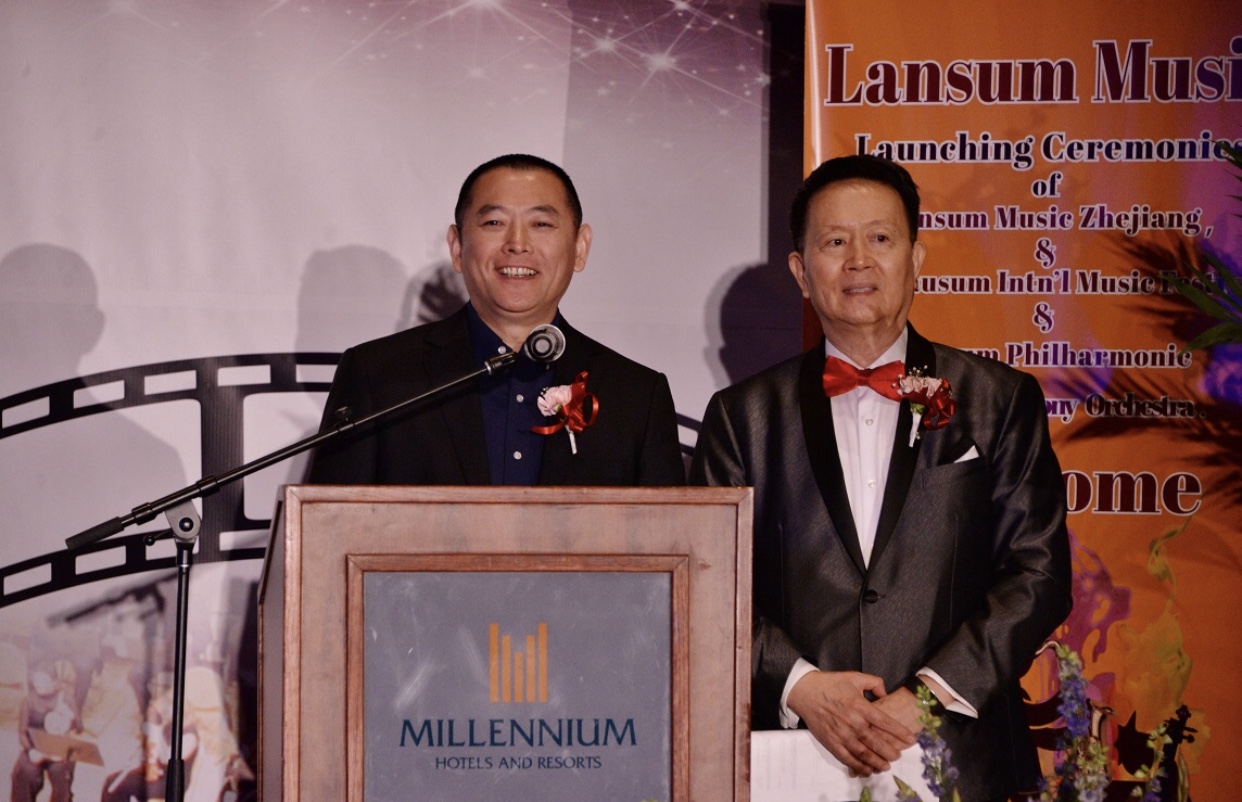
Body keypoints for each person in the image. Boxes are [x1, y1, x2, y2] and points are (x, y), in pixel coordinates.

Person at [689, 154, 1072, 801]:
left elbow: (1038, 573)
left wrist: (926, 697)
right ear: (801, 271)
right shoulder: (742, 415)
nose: (858, 260)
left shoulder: (998, 399)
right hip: (792, 756)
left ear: (916, 258)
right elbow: (707, 583)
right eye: (835, 242)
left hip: (961, 754)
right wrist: (801, 686)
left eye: (881, 238)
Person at [306, 154, 684, 486]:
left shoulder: (636, 396)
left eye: (541, 224)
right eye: (493, 223)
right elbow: (329, 530)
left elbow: (668, 539)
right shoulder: (378, 376)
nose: (517, 243)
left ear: (580, 248)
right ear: (457, 247)